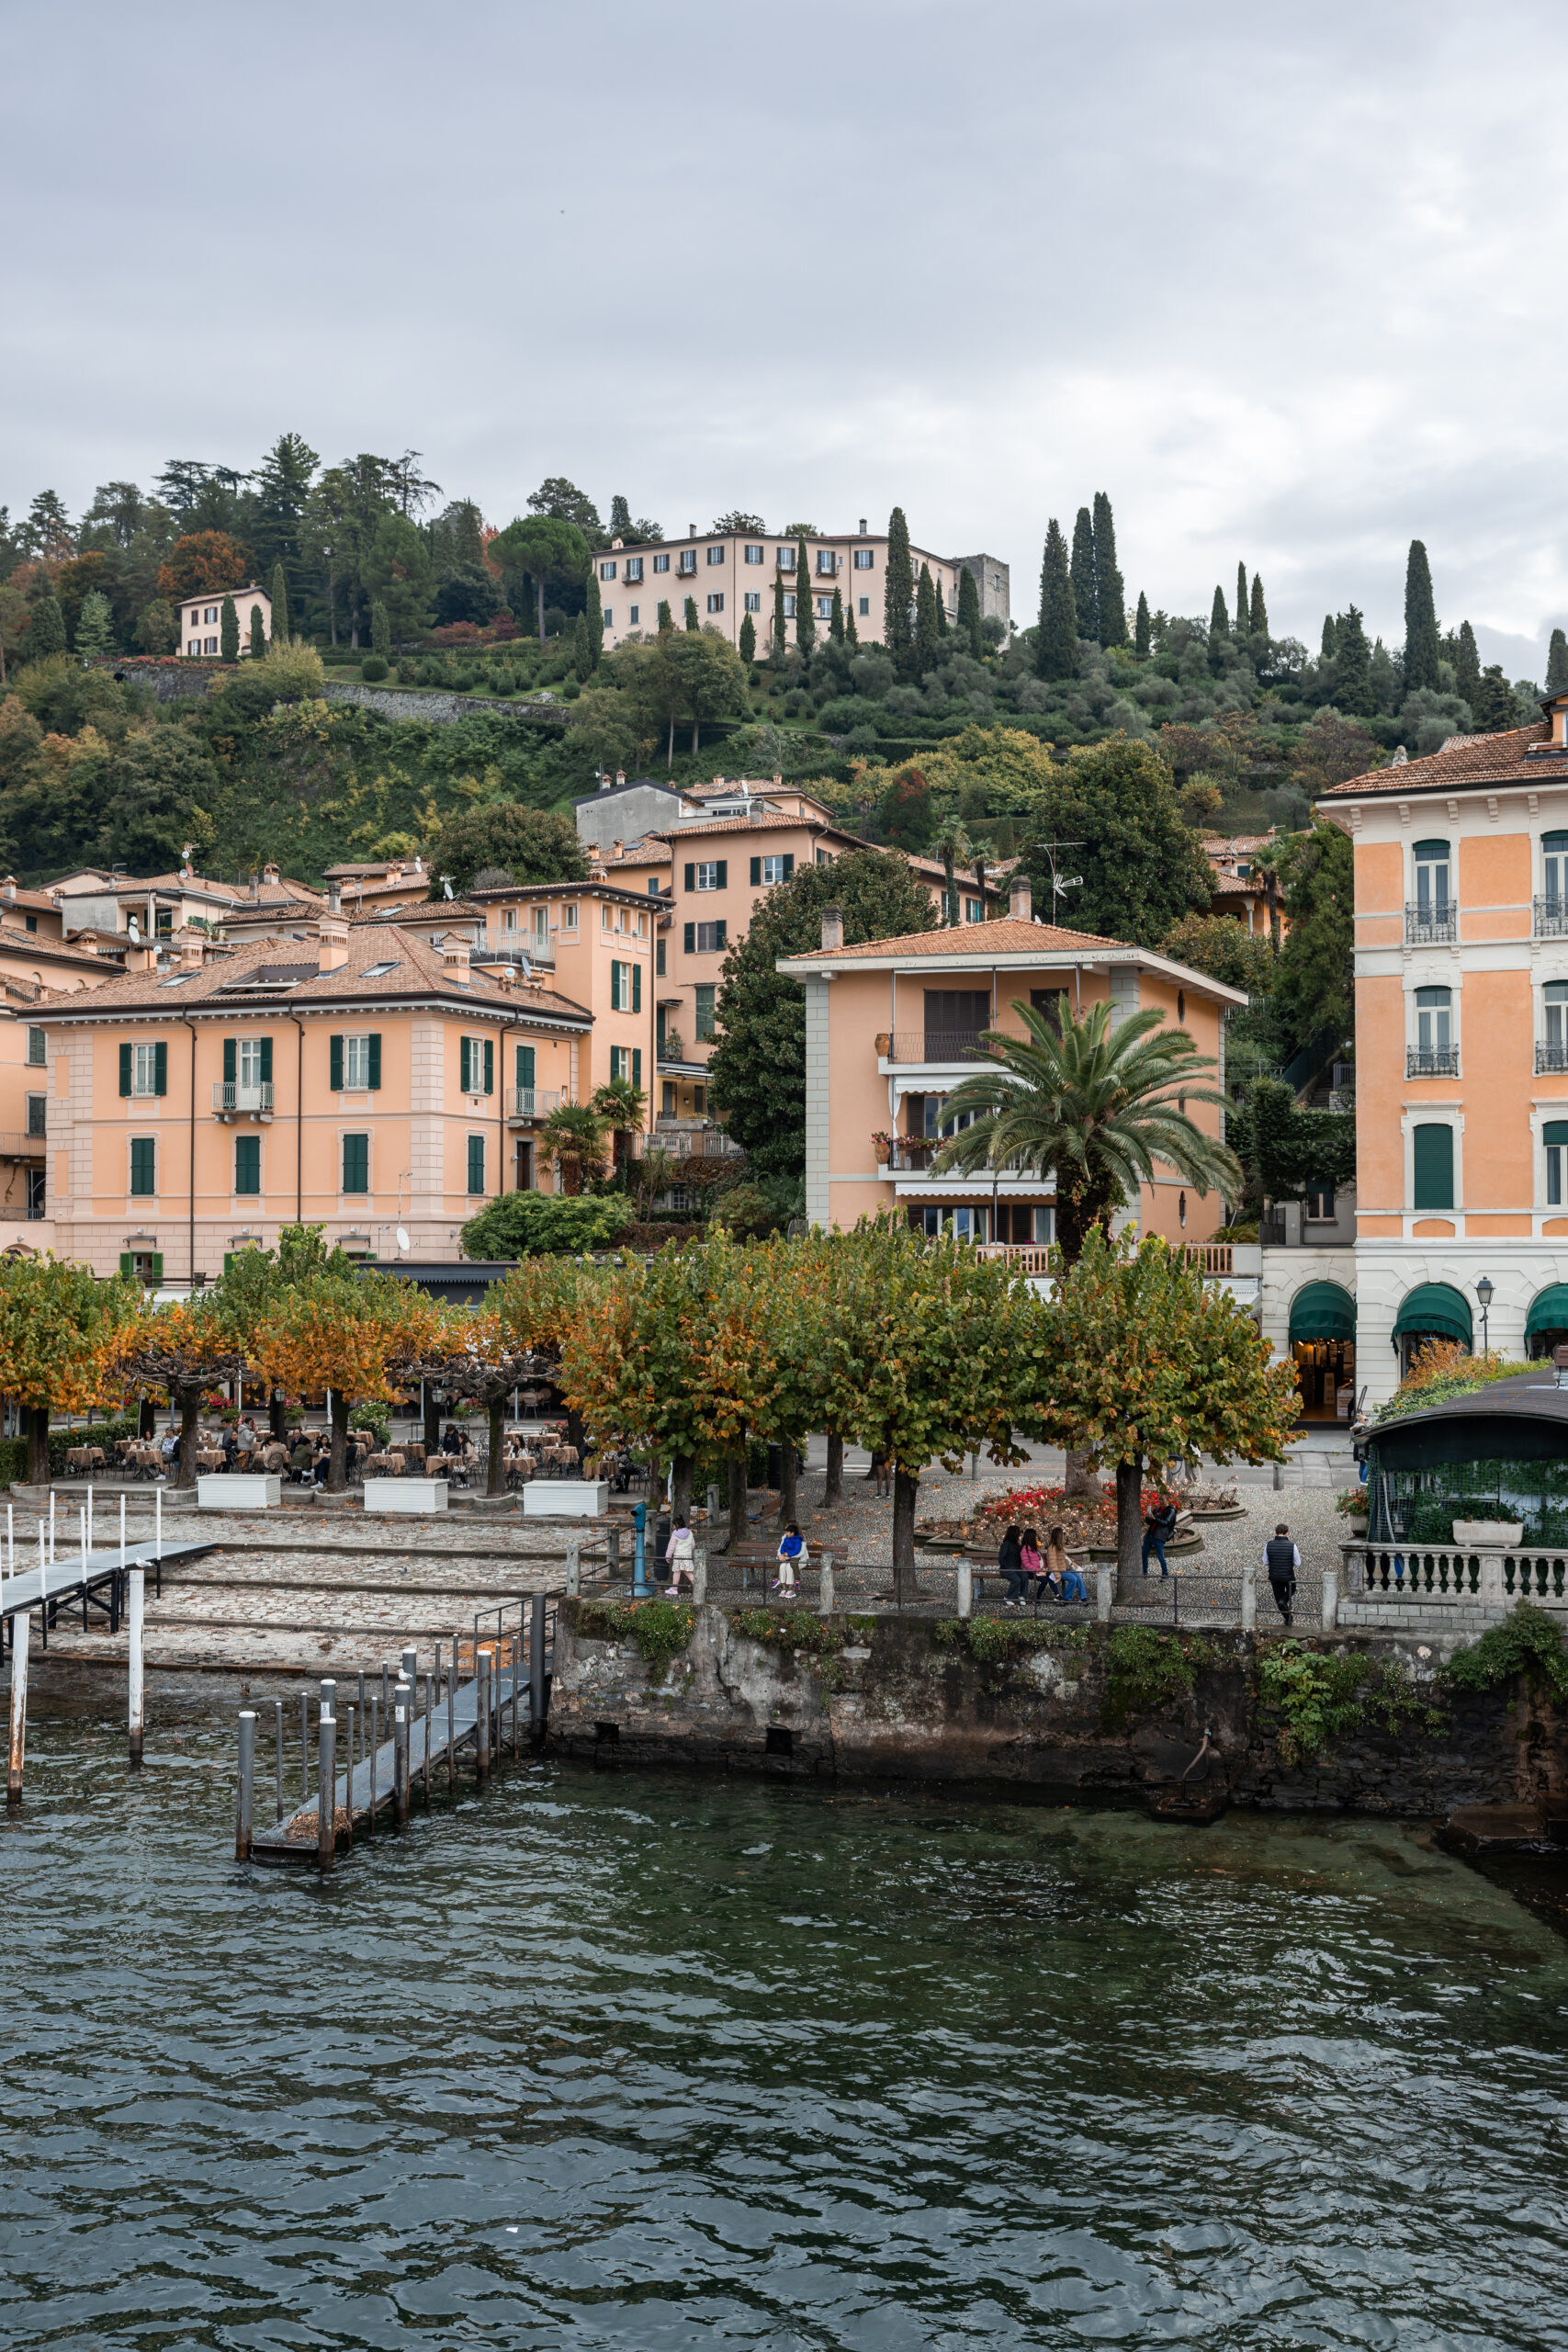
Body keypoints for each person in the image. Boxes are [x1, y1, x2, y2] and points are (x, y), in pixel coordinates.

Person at [1265, 1523, 1300, 1624]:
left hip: (1274, 1576)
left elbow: (1265, 1561)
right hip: (1288, 1576)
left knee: (1278, 1597)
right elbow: (1298, 1563)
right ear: (1287, 1533)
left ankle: (1288, 1619)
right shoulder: (1292, 1546)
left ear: (1275, 1533)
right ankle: (1286, 1611)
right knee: (1291, 1590)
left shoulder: (1269, 1544)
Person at [1143, 1494, 1179, 1578]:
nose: (1160, 1501)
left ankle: (1165, 1574)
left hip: (1159, 1536)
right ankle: (1144, 1572)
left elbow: (1166, 1523)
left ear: (1167, 1500)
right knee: (1143, 1554)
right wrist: (1148, 1517)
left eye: (1162, 1499)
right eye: (1159, 1499)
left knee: (1160, 1556)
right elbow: (1150, 1523)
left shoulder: (1171, 1510)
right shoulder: (1157, 1509)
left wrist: (1154, 1518)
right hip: (1150, 1534)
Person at [665, 1514, 697, 1596]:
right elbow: (693, 1544)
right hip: (687, 1556)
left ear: (677, 1525)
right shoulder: (690, 1532)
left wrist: (668, 1556)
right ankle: (698, 1587)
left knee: (677, 1572)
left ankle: (674, 1589)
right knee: (688, 1572)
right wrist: (689, 1551)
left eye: (674, 1525)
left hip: (678, 1556)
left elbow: (671, 1546)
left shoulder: (675, 1533)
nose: (673, 1527)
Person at [773, 1521, 807, 1596]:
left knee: (789, 1567)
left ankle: (791, 1589)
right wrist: (781, 1556)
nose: (785, 1528)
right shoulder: (786, 1537)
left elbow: (801, 1552)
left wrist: (789, 1556)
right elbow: (780, 1549)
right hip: (787, 1558)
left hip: (799, 1560)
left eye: (787, 1527)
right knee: (782, 1566)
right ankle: (783, 1588)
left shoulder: (801, 1538)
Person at [1042, 1522, 1071, 1602]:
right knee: (1073, 1579)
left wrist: (1070, 1566)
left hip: (1062, 1569)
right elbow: (1053, 1563)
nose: (1063, 1537)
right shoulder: (1052, 1547)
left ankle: (1067, 1597)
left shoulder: (1060, 1546)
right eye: (1062, 1535)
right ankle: (1065, 1598)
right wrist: (1058, 1576)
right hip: (1057, 1571)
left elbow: (1064, 1559)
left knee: (1076, 1577)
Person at [998, 1524, 1027, 1606]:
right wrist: (1006, 1568)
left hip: (1016, 1568)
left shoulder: (1017, 1545)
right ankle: (1008, 1597)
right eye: (1018, 1533)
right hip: (1006, 1569)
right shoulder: (1006, 1544)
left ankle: (1022, 1596)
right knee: (1016, 1580)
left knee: (1025, 1575)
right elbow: (1001, 1559)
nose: (1019, 1535)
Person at [1019, 1527, 1043, 1602]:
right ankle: (1024, 1596)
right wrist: (1038, 1570)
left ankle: (1037, 1597)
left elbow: (1042, 1559)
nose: (1036, 1538)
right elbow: (1025, 1564)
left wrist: (1044, 1567)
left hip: (1038, 1570)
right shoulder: (1024, 1549)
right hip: (1030, 1571)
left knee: (1048, 1578)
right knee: (1044, 1579)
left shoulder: (1036, 1548)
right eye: (1035, 1536)